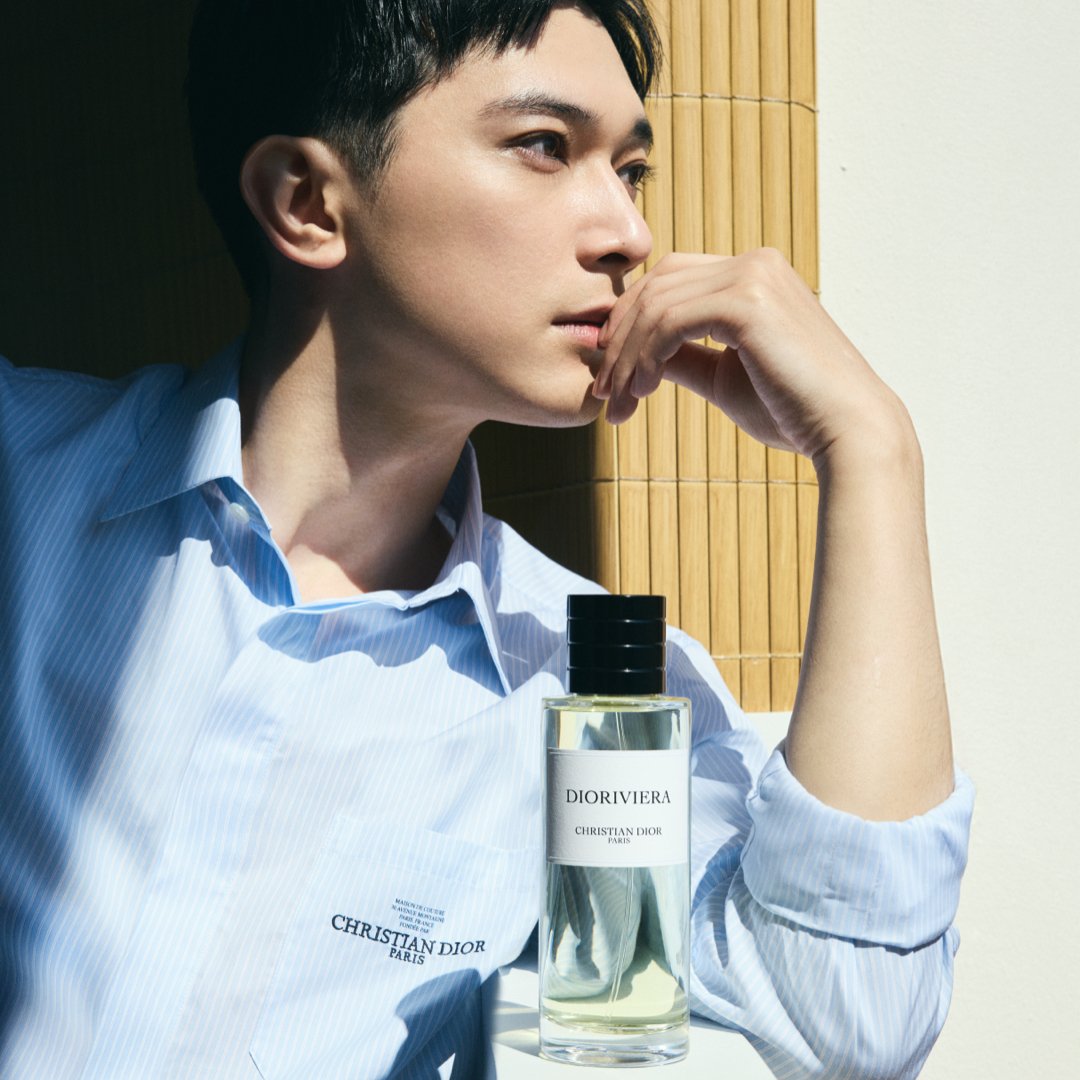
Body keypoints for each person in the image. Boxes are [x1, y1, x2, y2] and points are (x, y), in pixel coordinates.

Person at [0, 1, 973, 1076]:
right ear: (308, 203)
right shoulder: (24, 485)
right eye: (545, 146)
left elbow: (850, 1021)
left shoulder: (604, 693)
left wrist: (872, 451)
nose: (630, 235)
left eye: (631, 170)